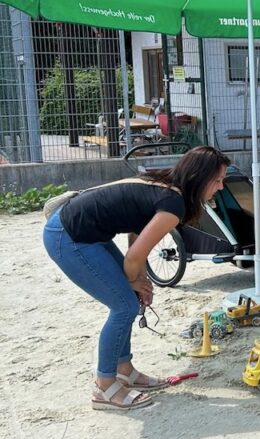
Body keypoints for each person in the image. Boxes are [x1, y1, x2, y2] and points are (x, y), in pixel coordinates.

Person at [42, 146, 230, 411]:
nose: (221, 186)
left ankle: (124, 371)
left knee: (128, 299)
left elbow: (136, 234)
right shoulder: (174, 204)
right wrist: (133, 281)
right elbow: (132, 257)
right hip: (68, 236)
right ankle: (104, 386)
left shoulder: (165, 185)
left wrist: (140, 280)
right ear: (199, 177)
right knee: (124, 306)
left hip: (81, 230)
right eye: (218, 180)